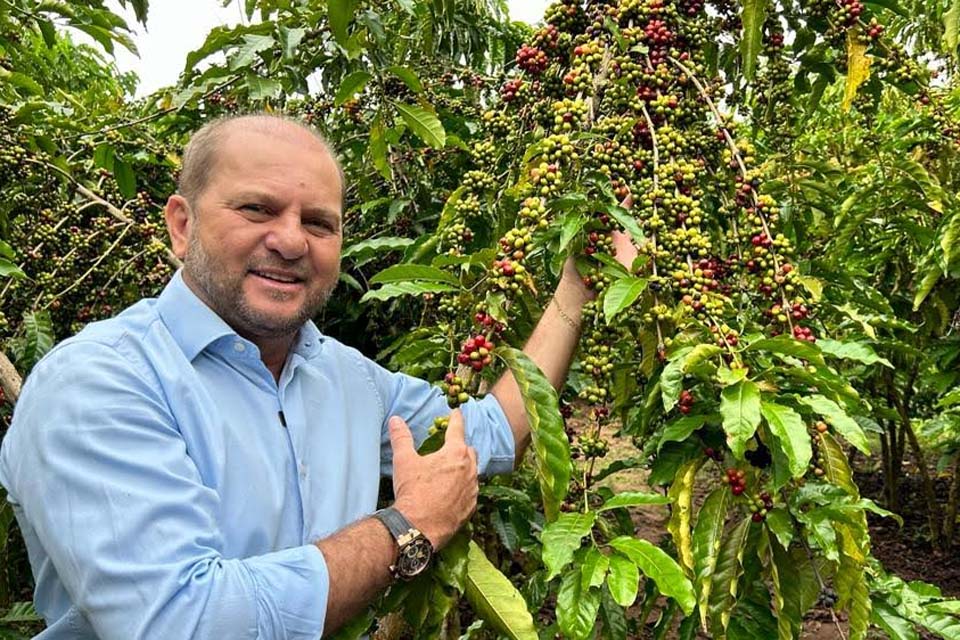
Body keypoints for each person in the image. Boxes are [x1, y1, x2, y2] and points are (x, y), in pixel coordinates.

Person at [0, 114, 635, 639]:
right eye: (257, 208)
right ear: (182, 226)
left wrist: (575, 290)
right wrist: (409, 525)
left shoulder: (349, 379)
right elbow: (185, 622)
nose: (291, 241)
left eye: (318, 222)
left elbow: (491, 434)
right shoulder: (96, 383)